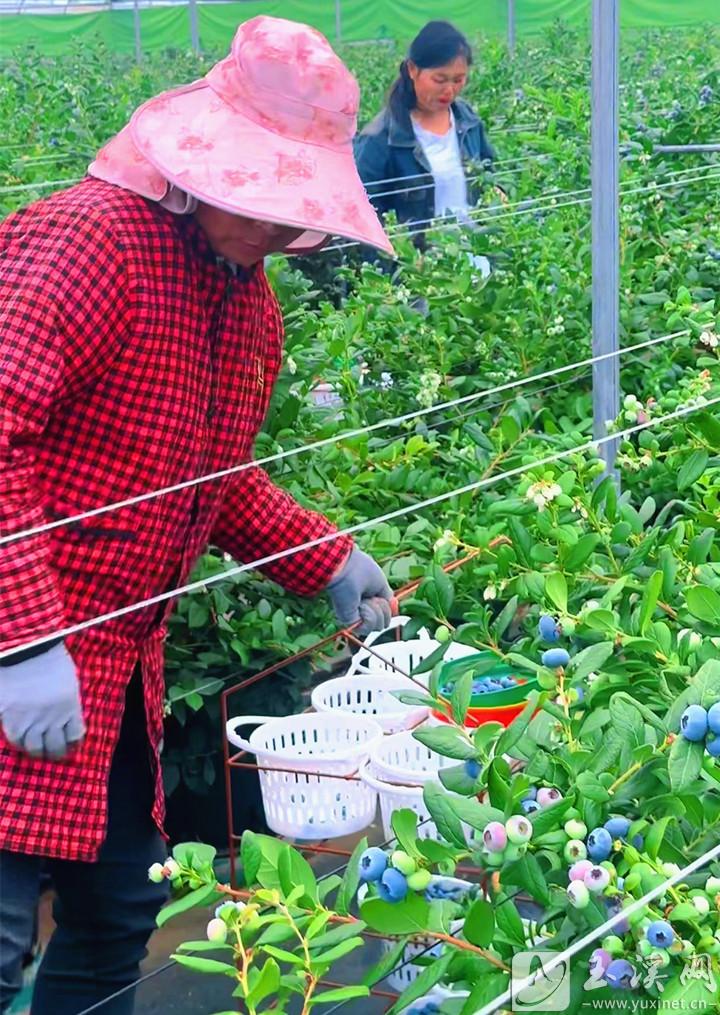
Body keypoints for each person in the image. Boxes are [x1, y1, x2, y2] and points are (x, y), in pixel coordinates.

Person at [0, 17, 396, 1014]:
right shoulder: (92, 246)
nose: (275, 226)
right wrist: (22, 643)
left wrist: (329, 560)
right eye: (264, 196)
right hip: (33, 640)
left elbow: (211, 480)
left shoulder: (243, 299)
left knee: (116, 918)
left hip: (116, 668)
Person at [354, 20, 497, 232]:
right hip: (421, 262)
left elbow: (490, 171)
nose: (450, 89)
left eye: (458, 79)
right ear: (412, 69)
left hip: (475, 255)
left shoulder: (467, 120)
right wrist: (404, 259)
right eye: (440, 79)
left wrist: (496, 191)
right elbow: (363, 216)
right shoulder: (379, 138)